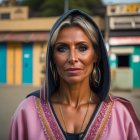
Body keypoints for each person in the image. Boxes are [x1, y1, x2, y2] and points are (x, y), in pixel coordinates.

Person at [9, 9, 140, 140]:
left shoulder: (120, 114)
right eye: (62, 48)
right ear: (52, 57)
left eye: (82, 48)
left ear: (96, 55)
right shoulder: (27, 111)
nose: (73, 58)